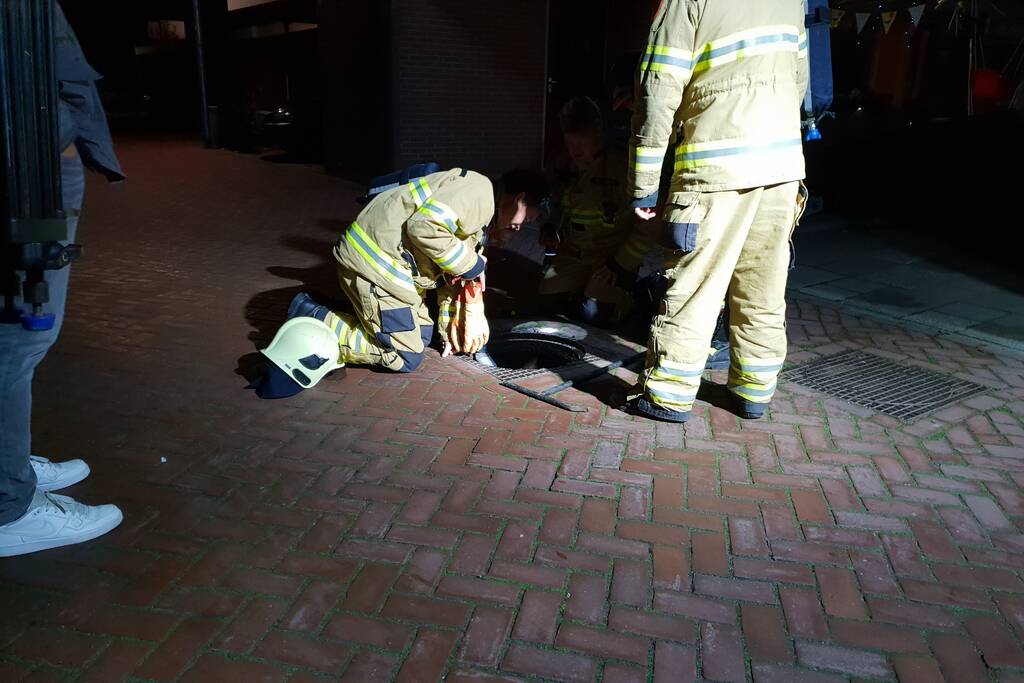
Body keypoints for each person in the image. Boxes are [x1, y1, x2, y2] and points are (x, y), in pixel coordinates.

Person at [626, 0, 809, 423]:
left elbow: (657, 89)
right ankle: (753, 390)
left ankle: (667, 394)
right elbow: (798, 79)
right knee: (762, 287)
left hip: (714, 168)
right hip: (781, 168)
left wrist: (644, 187)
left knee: (695, 286)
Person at [0, 3, 126, 557]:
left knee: (21, 330)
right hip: (28, 176)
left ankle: (8, 462)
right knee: (22, 332)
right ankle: (9, 506)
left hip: (38, 167)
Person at [251, 168, 548, 398]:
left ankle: (361, 318)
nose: (520, 227)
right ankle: (312, 315)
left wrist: (447, 334)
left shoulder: (481, 214)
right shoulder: (479, 193)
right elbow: (425, 227)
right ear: (518, 198)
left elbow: (450, 281)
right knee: (404, 356)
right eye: (526, 218)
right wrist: (471, 264)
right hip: (375, 265)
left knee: (424, 333)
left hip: (395, 275)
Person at [538, 97, 657, 327]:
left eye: (581, 143)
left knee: (592, 314)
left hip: (610, 259)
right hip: (573, 255)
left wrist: (620, 264)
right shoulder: (562, 164)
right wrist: (550, 227)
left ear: (598, 135)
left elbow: (648, 228)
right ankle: (579, 291)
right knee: (547, 304)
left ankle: (630, 299)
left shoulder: (624, 169)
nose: (575, 151)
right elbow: (553, 206)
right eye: (570, 144)